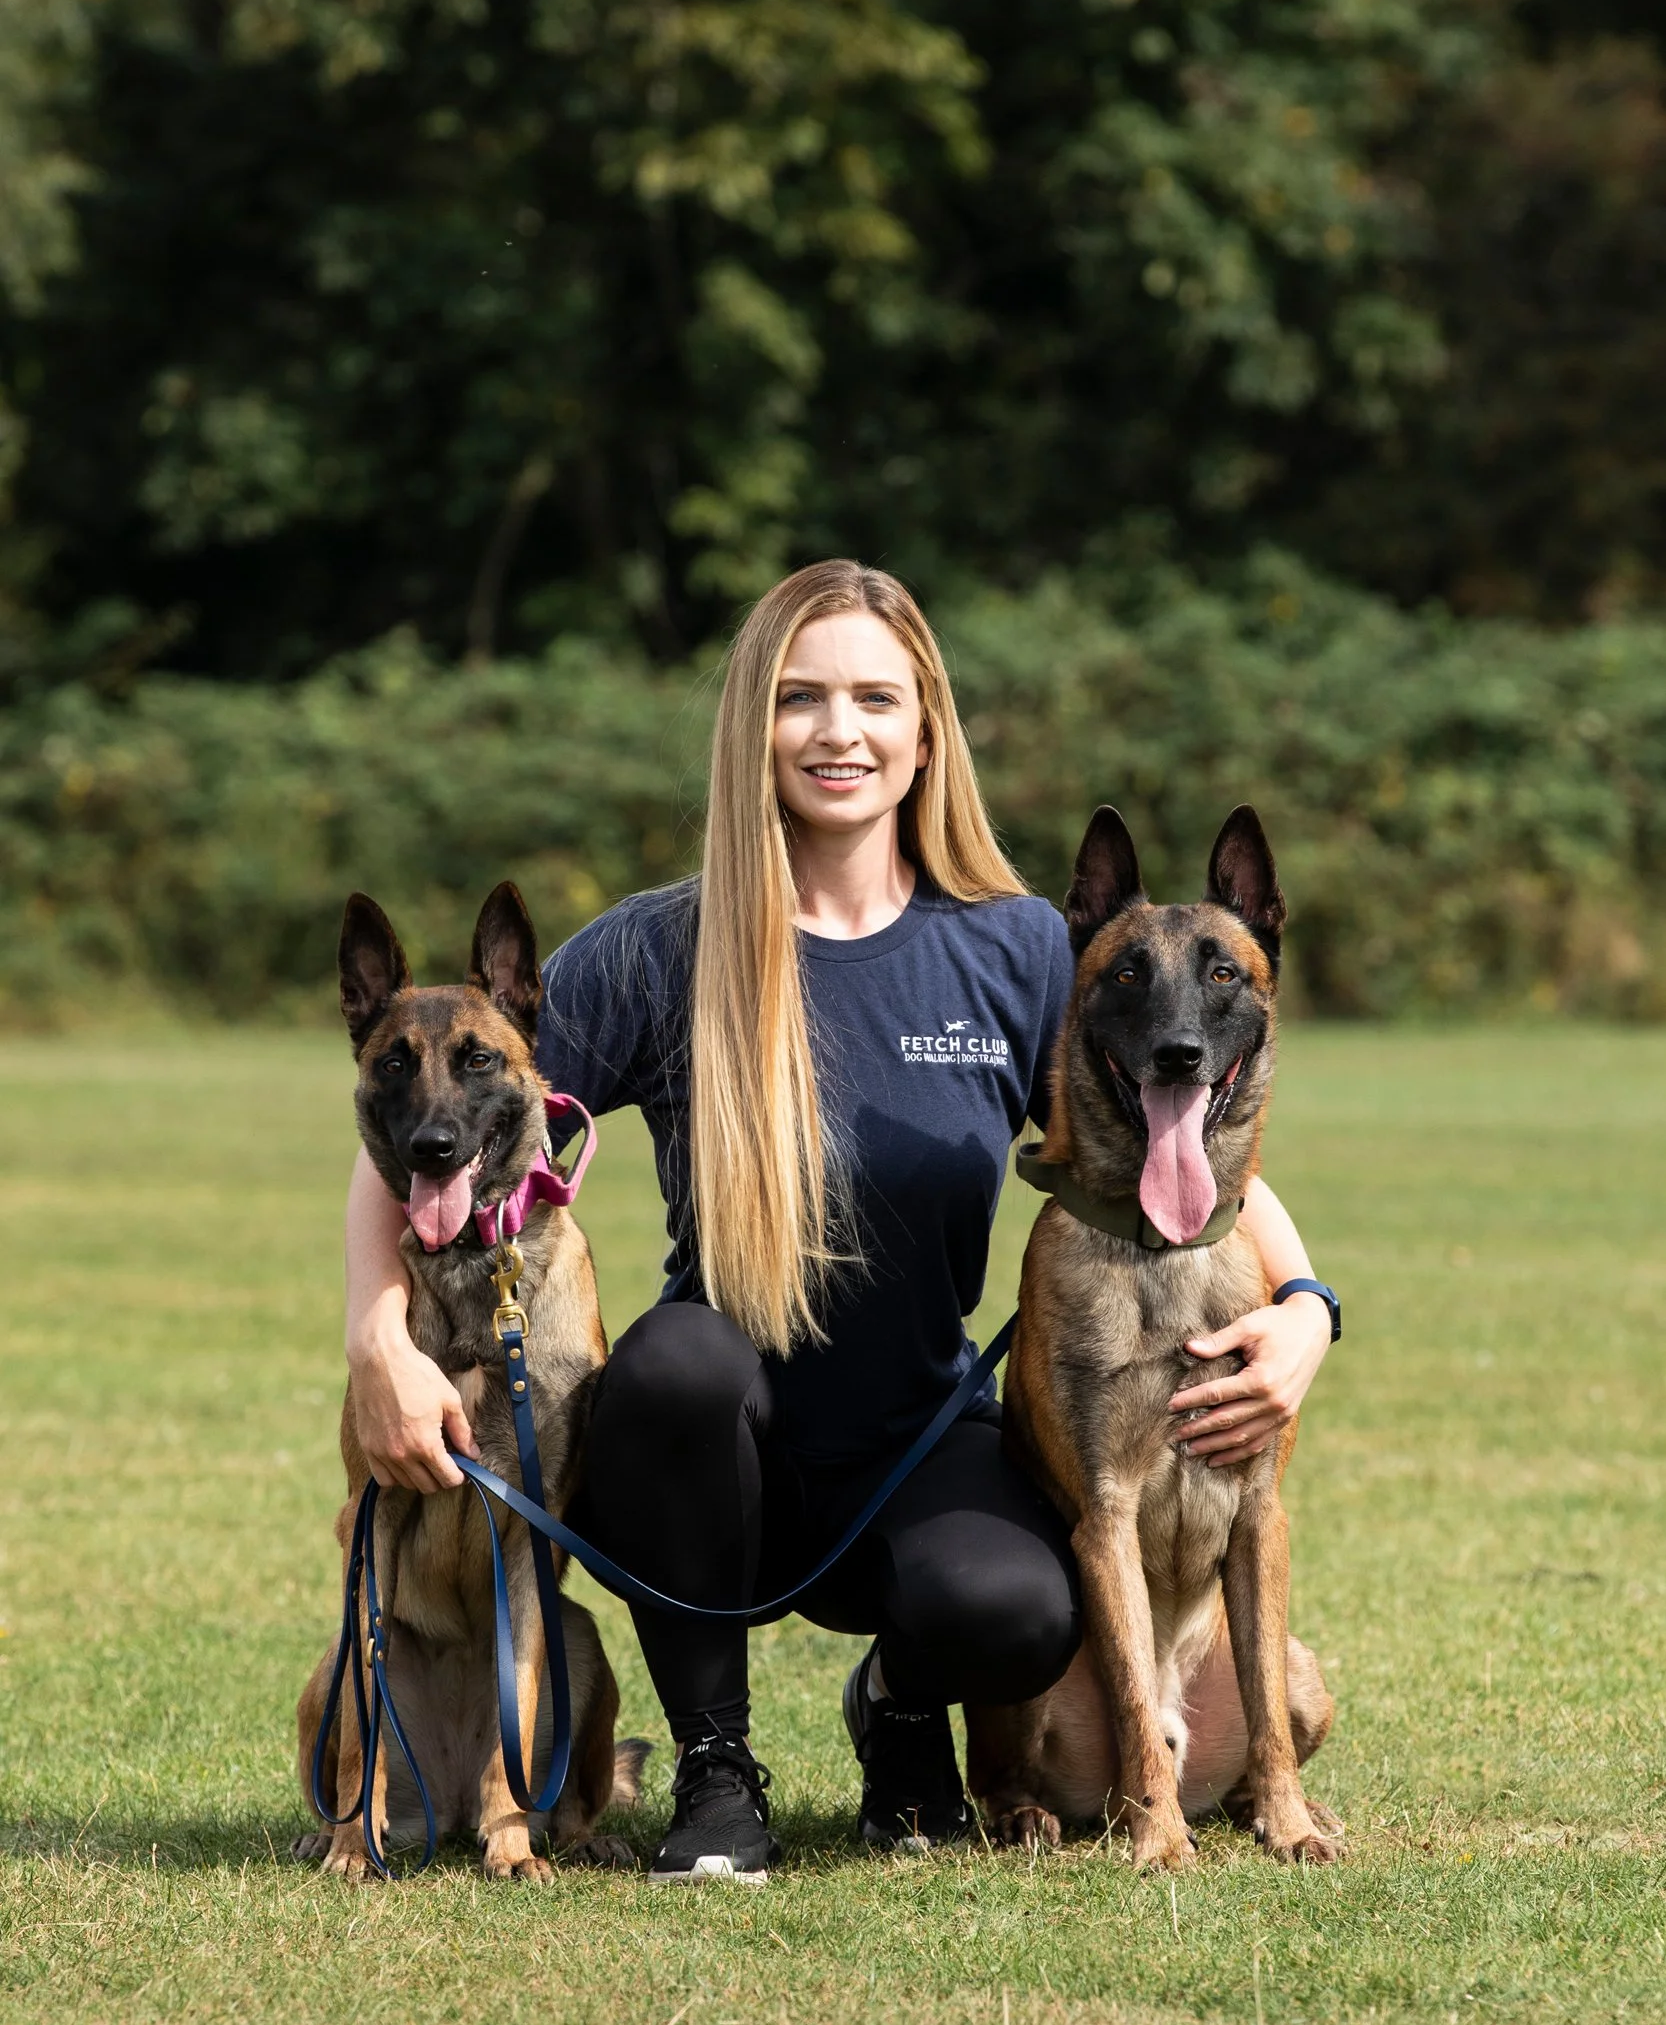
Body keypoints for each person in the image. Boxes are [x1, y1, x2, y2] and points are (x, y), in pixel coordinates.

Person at [343, 561, 1335, 1884]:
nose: (839, 731)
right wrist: (379, 1343)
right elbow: (436, 1137)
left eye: (876, 696)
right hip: (705, 1460)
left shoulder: (1019, 948)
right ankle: (714, 1764)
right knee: (680, 1361)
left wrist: (1305, 1313)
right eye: (800, 698)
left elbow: (1171, 1147)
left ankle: (903, 1718)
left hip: (918, 1439)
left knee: (1010, 1604)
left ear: (926, 728)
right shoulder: (653, 949)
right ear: (751, 724)